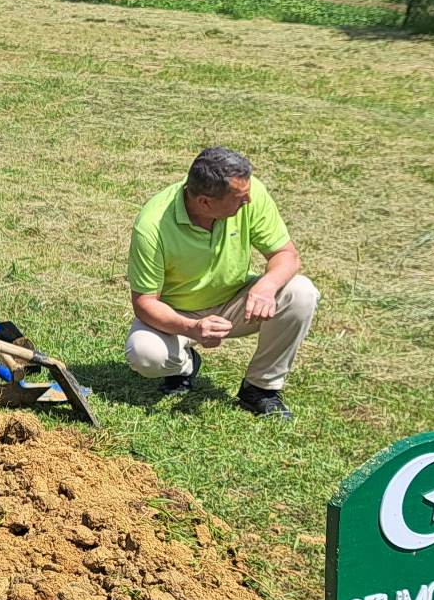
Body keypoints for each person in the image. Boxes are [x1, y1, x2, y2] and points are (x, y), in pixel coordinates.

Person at [124, 146, 319, 420]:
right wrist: (192, 328)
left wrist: (266, 285)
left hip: (236, 303)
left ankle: (260, 389)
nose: (249, 199)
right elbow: (145, 303)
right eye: (239, 198)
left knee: (301, 292)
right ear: (205, 202)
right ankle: (184, 366)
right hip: (177, 315)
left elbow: (286, 256)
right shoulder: (152, 226)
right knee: (144, 353)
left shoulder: (249, 192)